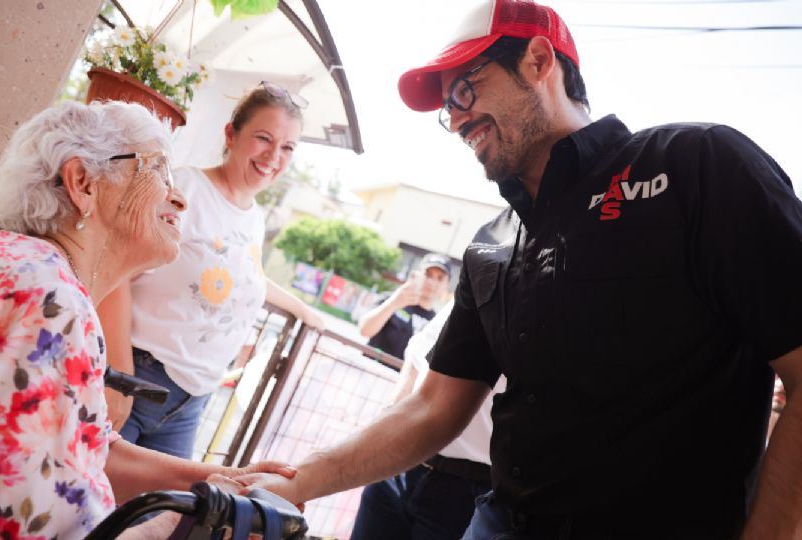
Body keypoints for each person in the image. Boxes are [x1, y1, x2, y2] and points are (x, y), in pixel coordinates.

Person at [237, 1, 802, 537]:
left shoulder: (696, 165)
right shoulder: (491, 245)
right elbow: (432, 408)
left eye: (464, 87)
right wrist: (296, 481)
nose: (456, 119)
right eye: (446, 108)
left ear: (538, 60)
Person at [0, 101, 292, 539]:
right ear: (83, 183)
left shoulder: (29, 275)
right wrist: (194, 518)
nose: (178, 196)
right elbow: (57, 532)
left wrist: (227, 480)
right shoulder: (43, 303)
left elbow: (90, 450)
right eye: (158, 170)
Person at [98, 82, 326, 459]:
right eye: (264, 138)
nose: (274, 156)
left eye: (287, 147)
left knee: (158, 515)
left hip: (192, 402)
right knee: (88, 508)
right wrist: (118, 375)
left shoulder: (253, 217)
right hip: (139, 377)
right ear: (231, 134)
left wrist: (303, 309)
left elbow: (238, 274)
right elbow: (115, 270)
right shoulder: (185, 188)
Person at [351, 298, 505, 540]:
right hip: (398, 461)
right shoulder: (481, 274)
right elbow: (416, 354)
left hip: (468, 488)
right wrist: (386, 427)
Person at [358, 253, 451, 360]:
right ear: (418, 274)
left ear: (447, 285)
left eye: (440, 278)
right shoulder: (392, 299)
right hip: (372, 370)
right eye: (428, 274)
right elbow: (364, 330)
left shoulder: (438, 323)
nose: (432, 282)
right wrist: (394, 303)